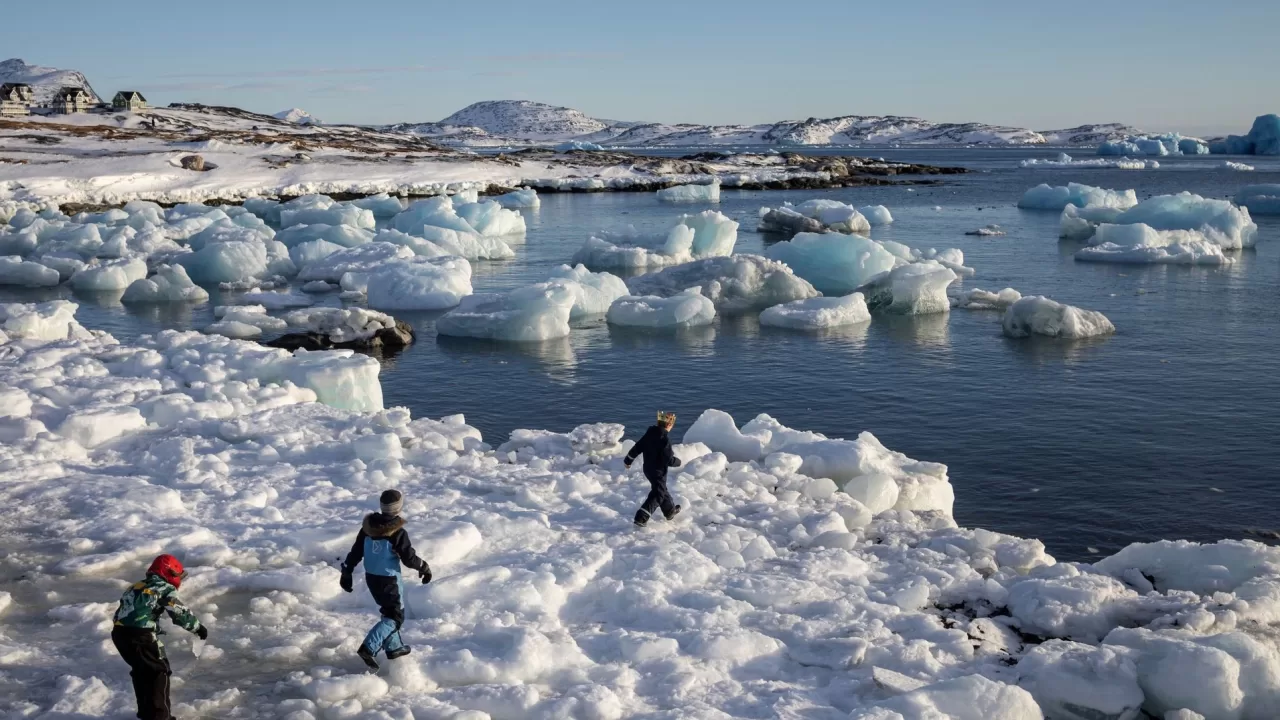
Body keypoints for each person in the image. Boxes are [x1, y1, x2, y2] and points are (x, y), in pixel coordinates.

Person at [339, 489, 431, 670]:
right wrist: (424, 567)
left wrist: (347, 571)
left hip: (372, 578)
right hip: (389, 579)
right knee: (395, 617)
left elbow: (356, 552)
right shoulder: (397, 532)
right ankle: (369, 647)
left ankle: (394, 647)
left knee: (388, 612)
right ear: (399, 507)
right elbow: (408, 558)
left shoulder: (367, 529)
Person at [111, 554, 208, 720]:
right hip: (141, 635)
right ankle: (160, 717)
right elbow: (178, 612)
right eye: (178, 576)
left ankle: (146, 713)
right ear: (168, 572)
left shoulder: (135, 586)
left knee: (142, 671)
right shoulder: (163, 587)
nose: (179, 580)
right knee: (159, 672)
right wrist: (197, 627)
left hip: (119, 634)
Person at [624, 411, 684, 527]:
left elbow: (637, 447)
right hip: (658, 471)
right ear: (669, 425)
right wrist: (678, 462)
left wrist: (628, 460)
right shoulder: (664, 440)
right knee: (658, 494)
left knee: (661, 489)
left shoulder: (649, 434)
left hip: (648, 469)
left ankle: (669, 511)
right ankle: (641, 517)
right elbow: (668, 459)